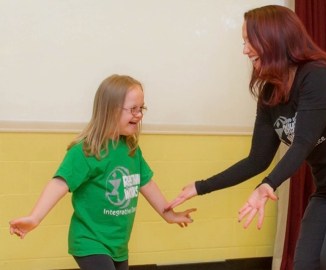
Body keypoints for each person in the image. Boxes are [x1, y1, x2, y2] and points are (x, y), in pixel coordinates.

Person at [165, 5, 326, 270]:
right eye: (244, 42)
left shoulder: (317, 75)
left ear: (273, 39)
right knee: (306, 265)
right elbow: (256, 160)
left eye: (250, 41)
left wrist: (268, 185)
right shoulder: (271, 94)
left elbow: (303, 142)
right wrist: (200, 186)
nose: (245, 50)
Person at [9, 74, 196, 270]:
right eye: (133, 109)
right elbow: (60, 183)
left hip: (119, 244)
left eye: (141, 108)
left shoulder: (131, 150)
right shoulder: (87, 150)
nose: (139, 114)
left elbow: (146, 183)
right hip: (90, 240)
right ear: (110, 110)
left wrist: (168, 214)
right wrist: (35, 217)